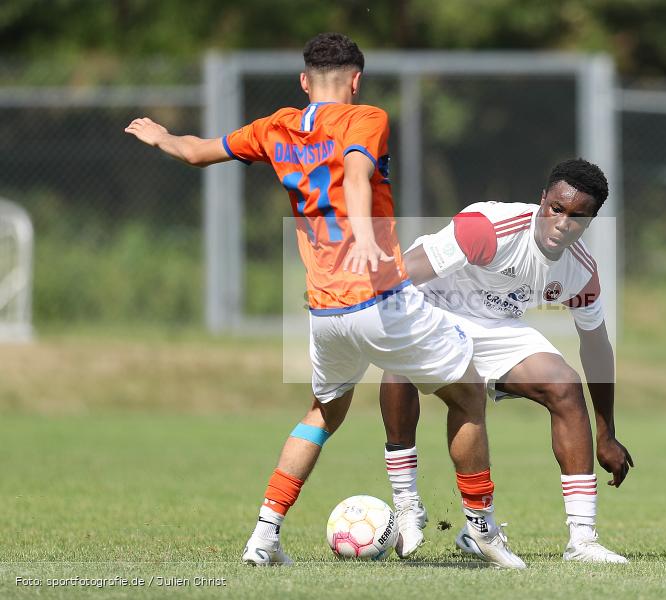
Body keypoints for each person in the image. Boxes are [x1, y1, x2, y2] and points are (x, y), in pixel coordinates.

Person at [125, 32, 526, 570]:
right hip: (379, 298)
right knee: (469, 395)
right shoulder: (366, 118)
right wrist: (362, 234)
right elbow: (357, 173)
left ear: (303, 81)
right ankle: (481, 528)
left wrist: (161, 136)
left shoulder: (275, 126)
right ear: (356, 80)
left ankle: (264, 537)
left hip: (325, 312)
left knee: (322, 413)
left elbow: (198, 152)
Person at [379, 158, 634, 563]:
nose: (563, 223)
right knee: (401, 361)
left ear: (590, 221)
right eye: (556, 209)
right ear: (542, 200)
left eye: (577, 217)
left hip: (494, 325)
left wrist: (607, 433)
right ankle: (408, 506)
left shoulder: (581, 271)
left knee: (565, 385)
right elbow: (401, 276)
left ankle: (582, 541)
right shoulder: (489, 229)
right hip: (432, 303)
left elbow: (596, 346)